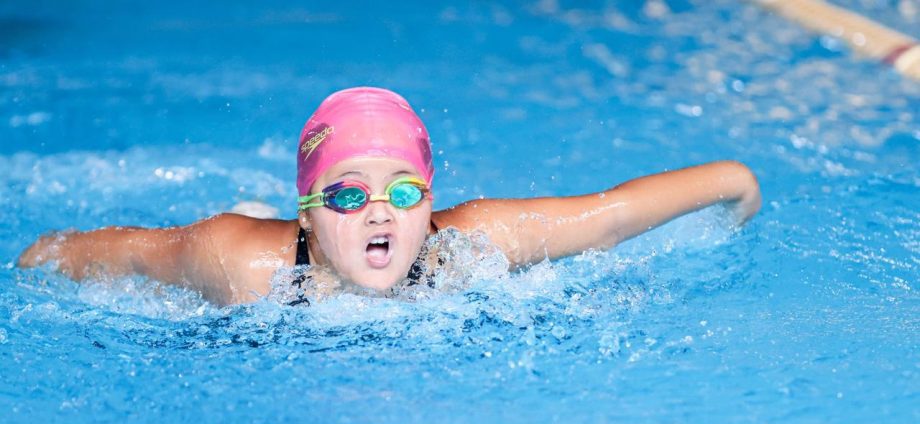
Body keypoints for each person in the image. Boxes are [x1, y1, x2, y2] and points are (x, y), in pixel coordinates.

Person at [17, 87, 762, 306]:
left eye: (403, 192)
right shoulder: (237, 263)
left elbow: (611, 215)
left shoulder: (468, 244)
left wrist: (735, 182)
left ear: (430, 201)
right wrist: (36, 261)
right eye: (347, 195)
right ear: (309, 209)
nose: (379, 210)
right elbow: (120, 256)